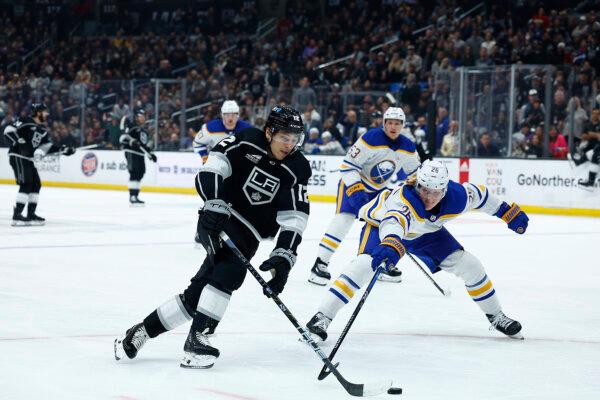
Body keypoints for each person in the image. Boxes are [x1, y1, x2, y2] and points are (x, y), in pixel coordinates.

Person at [114, 105, 311, 369]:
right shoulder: (245, 141)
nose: (289, 144)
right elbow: (214, 167)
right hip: (219, 216)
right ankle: (198, 339)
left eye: (294, 138)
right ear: (268, 132)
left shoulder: (298, 168)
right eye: (284, 137)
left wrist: (284, 257)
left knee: (196, 295)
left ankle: (141, 331)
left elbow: (295, 217)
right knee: (230, 271)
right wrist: (214, 202)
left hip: (250, 235)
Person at [306, 160, 528, 341]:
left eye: (436, 192)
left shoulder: (459, 195)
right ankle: (322, 316)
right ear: (417, 185)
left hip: (426, 233)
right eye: (424, 190)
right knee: (364, 265)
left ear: (445, 189)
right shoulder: (404, 200)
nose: (429, 197)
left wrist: (506, 211)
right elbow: (393, 222)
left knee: (470, 265)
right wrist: (392, 243)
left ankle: (496, 316)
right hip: (382, 227)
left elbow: (482, 196)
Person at [309, 107, 421, 286]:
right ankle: (320, 263)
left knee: (380, 225)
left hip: (378, 191)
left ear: (402, 125)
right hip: (354, 184)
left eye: (397, 123)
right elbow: (348, 164)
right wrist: (355, 188)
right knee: (343, 221)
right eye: (390, 123)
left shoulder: (407, 147)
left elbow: (415, 174)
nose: (393, 127)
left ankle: (377, 262)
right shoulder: (371, 138)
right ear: (384, 123)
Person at [3, 103, 75, 226]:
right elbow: (8, 131)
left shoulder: (42, 130)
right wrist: (21, 142)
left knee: (36, 184)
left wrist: (63, 150)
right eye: (45, 112)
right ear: (38, 112)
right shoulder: (25, 120)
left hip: (29, 159)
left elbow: (46, 147)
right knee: (26, 184)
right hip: (18, 156)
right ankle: (17, 216)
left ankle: (31, 214)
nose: (47, 114)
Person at [119, 108, 157, 205]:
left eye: (144, 116)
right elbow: (122, 138)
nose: (143, 118)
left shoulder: (144, 130)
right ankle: (132, 196)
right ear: (136, 117)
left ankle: (136, 195)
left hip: (140, 153)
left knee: (140, 172)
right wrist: (131, 141)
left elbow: (144, 145)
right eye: (141, 116)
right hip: (131, 152)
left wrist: (150, 154)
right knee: (134, 172)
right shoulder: (131, 126)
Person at [569, 108, 600, 190]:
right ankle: (579, 162)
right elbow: (584, 136)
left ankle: (590, 182)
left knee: (595, 153)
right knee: (593, 152)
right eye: (594, 113)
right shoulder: (588, 124)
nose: (595, 115)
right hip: (593, 147)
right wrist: (595, 135)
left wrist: (592, 134)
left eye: (597, 113)